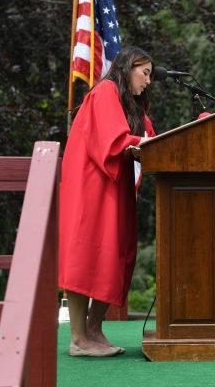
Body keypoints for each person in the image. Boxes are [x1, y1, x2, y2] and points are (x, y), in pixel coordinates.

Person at [59, 46, 156, 357]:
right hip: (92, 186)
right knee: (86, 254)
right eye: (145, 72)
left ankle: (93, 328)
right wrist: (142, 143)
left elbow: (152, 138)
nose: (148, 81)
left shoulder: (129, 103)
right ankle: (77, 338)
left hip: (114, 186)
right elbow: (114, 141)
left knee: (115, 254)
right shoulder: (105, 92)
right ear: (128, 67)